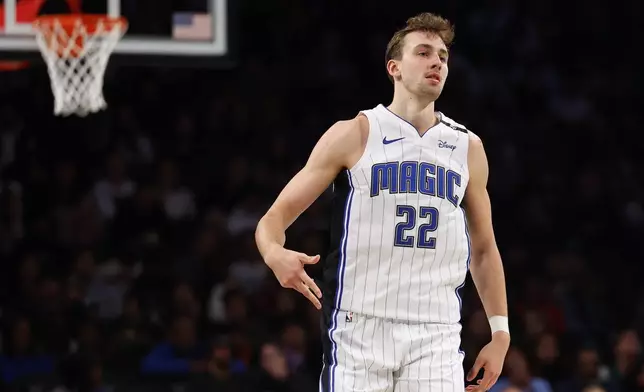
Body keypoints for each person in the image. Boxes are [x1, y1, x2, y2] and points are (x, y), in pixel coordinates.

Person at [255, 12, 510, 392]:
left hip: (435, 331)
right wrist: (274, 253)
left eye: (442, 55)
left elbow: (485, 249)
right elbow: (272, 220)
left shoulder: (467, 147)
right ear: (394, 67)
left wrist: (500, 333)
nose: (437, 61)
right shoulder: (355, 133)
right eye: (423, 52)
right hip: (361, 327)